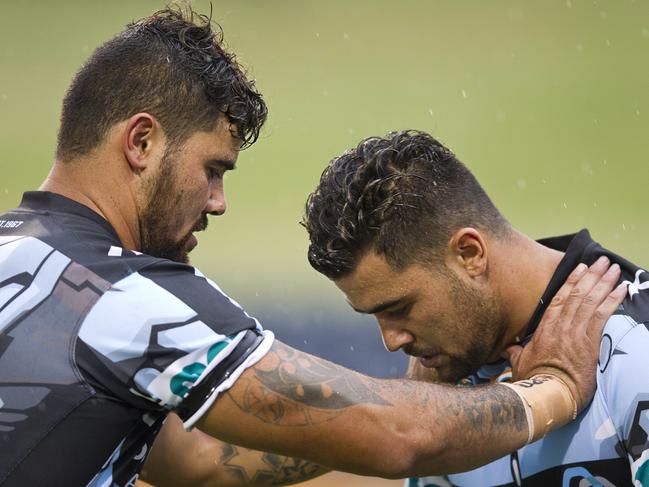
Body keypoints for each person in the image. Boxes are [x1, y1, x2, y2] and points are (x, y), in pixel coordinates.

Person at [0, 7, 625, 487]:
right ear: (141, 142)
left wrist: (414, 400)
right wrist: (552, 390)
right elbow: (397, 436)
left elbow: (192, 460)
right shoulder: (129, 299)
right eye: (213, 169)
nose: (217, 202)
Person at [302, 129, 648, 486]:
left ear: (470, 253)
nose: (391, 341)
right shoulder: (445, 384)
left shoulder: (636, 352)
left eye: (399, 308)